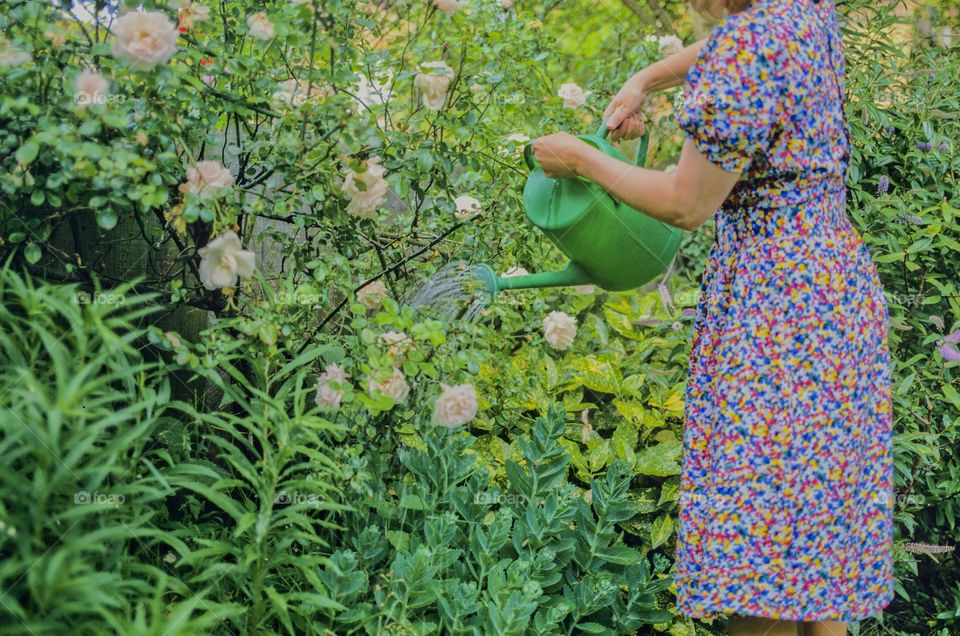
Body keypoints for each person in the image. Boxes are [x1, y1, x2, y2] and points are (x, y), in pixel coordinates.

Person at [530, 1, 895, 635]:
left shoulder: (753, 43)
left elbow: (684, 203)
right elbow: (737, 50)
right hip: (832, 295)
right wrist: (646, 78)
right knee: (809, 549)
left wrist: (581, 160)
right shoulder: (799, 13)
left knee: (760, 563)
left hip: (778, 316)